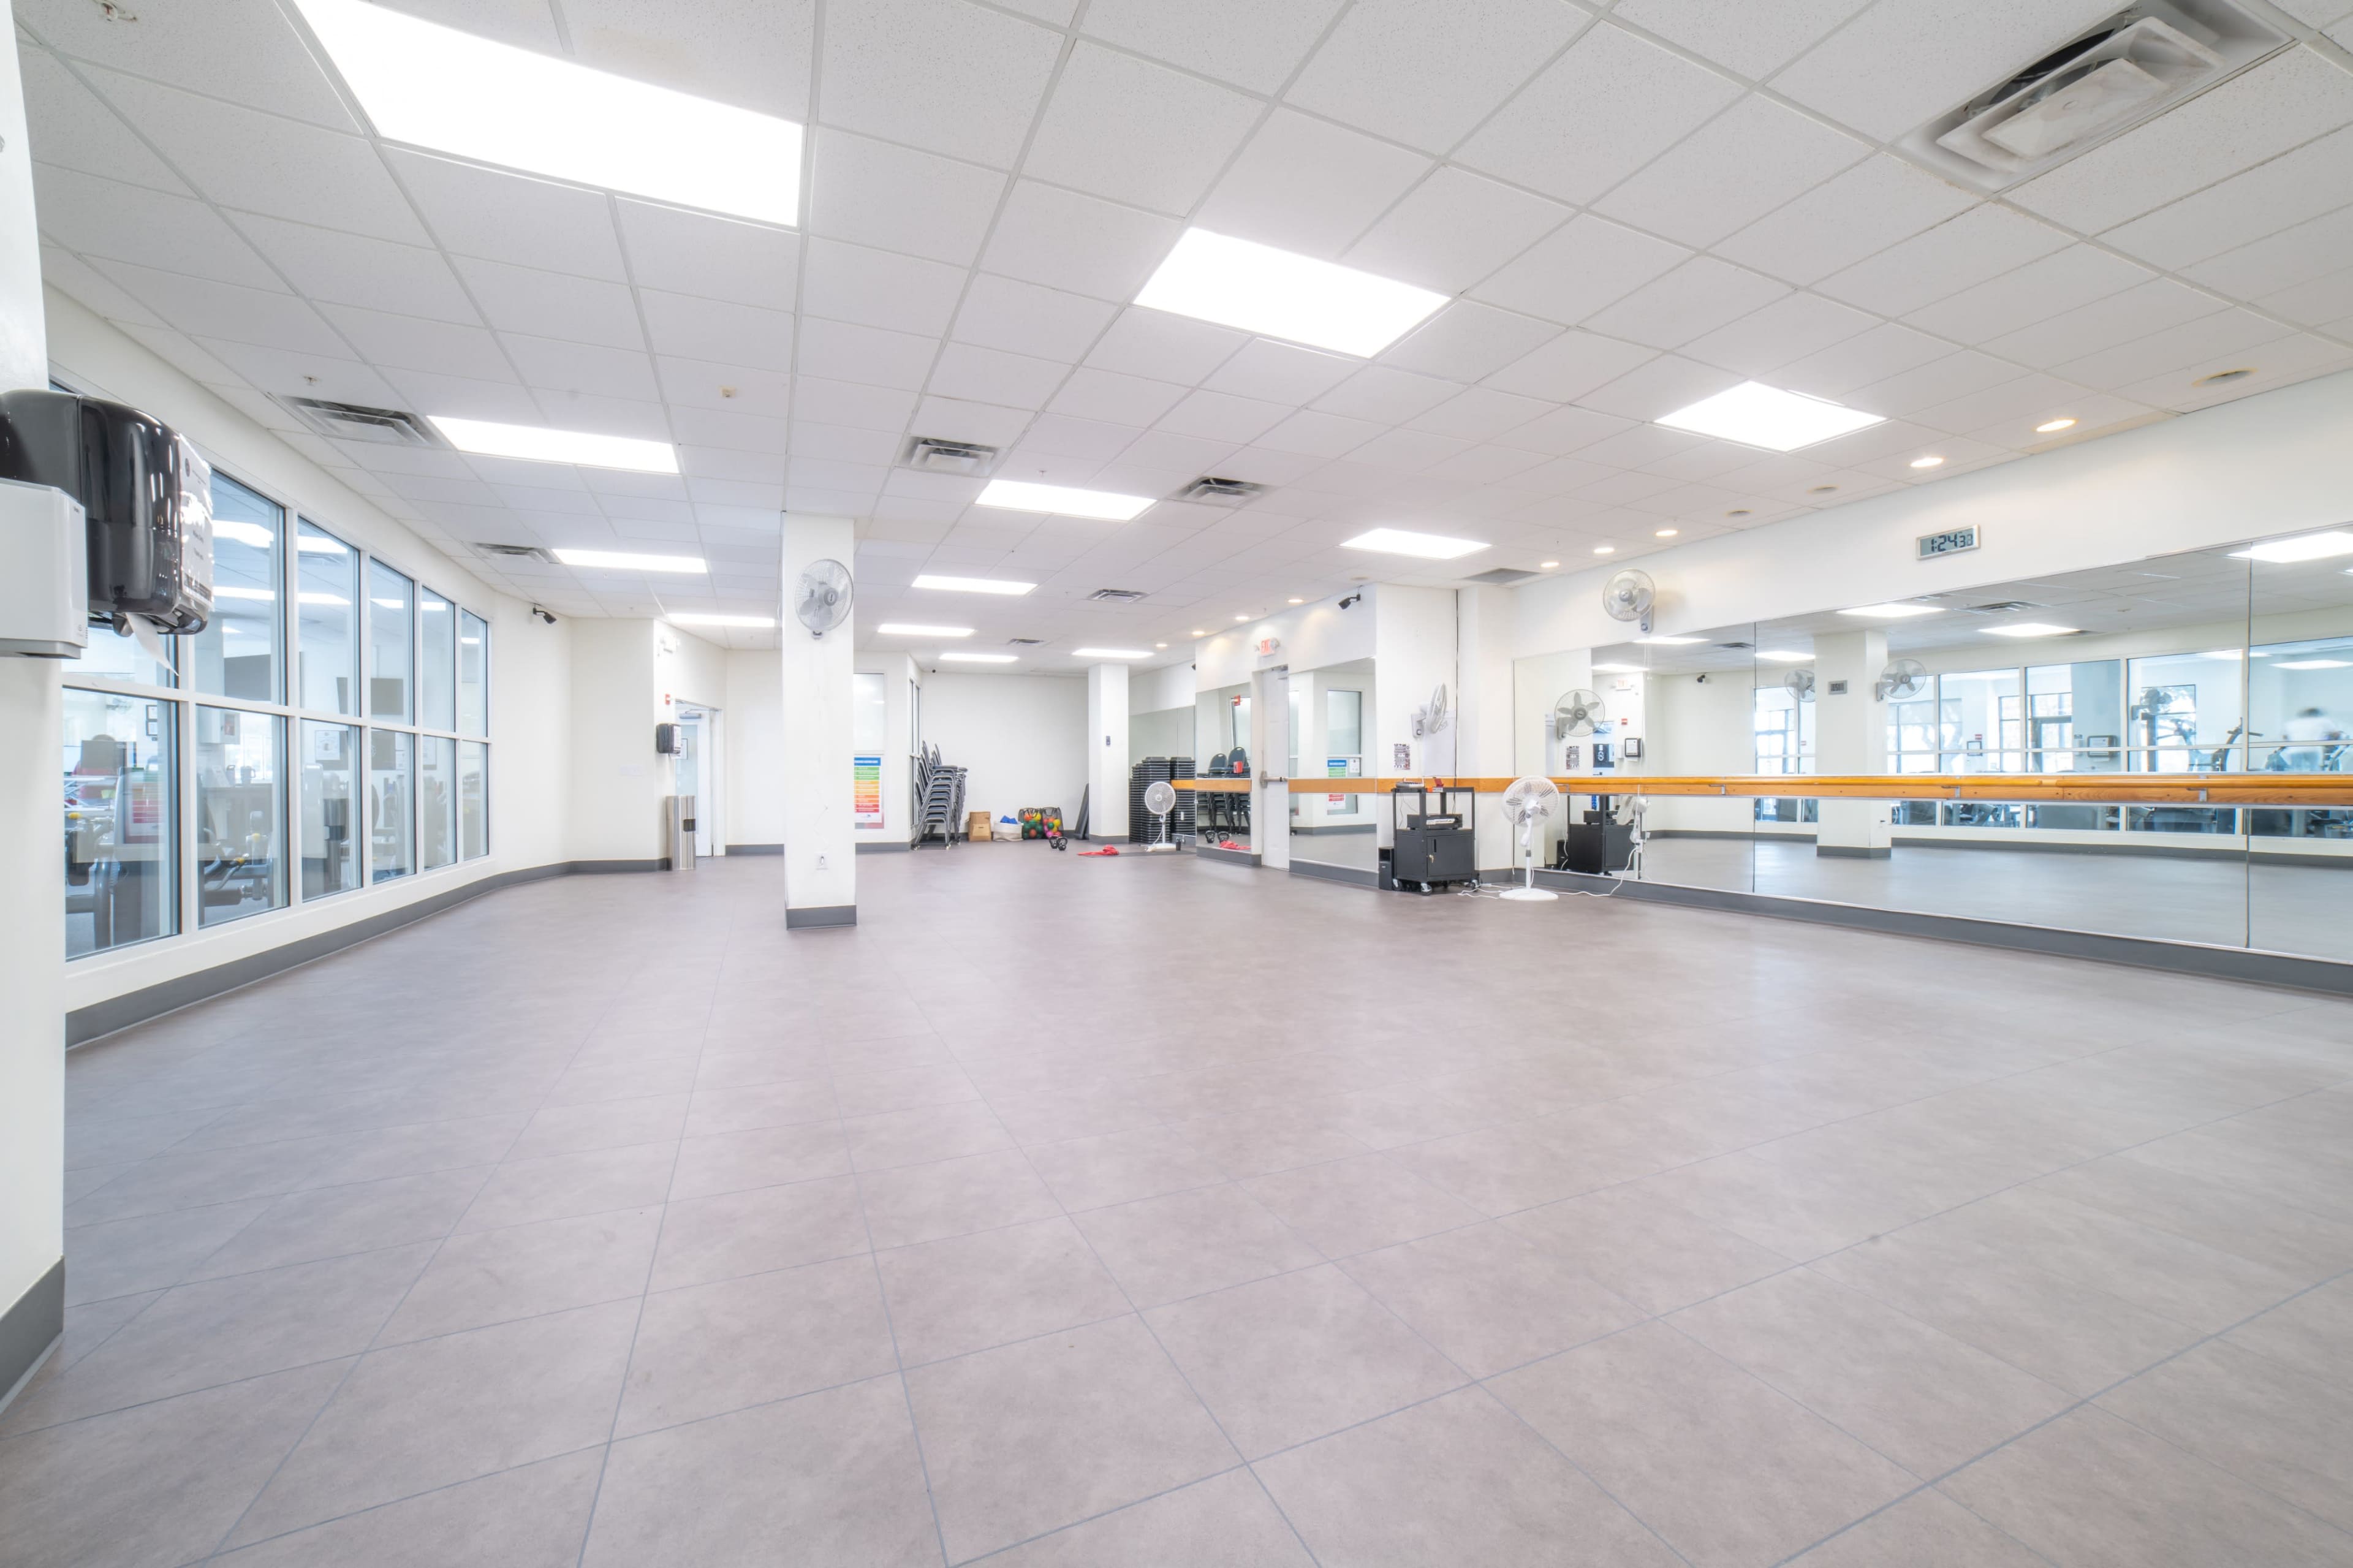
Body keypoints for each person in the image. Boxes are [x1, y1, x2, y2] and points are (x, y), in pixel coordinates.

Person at [2281, 706, 2346, 771]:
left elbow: (2285, 737)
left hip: (2295, 750)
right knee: (2314, 769)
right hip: (2313, 749)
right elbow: (2337, 734)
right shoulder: (2323, 721)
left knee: (2296, 770)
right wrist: (2331, 744)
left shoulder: (2292, 723)